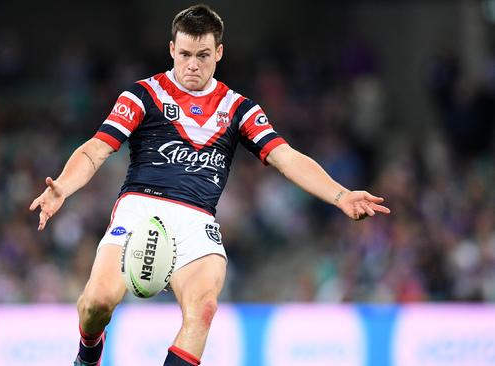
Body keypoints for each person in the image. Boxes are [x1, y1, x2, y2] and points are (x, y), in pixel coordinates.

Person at [29, 4, 390, 366]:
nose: (192, 65)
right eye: (185, 54)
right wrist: (63, 185)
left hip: (197, 220)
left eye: (203, 56)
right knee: (96, 303)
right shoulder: (142, 96)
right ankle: (88, 353)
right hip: (140, 208)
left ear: (218, 53)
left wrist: (340, 195)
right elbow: (96, 149)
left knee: (204, 308)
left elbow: (287, 157)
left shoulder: (238, 109)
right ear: (172, 49)